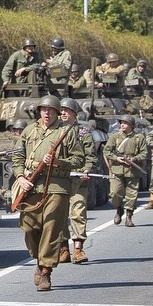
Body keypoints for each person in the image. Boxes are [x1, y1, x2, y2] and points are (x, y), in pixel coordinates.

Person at [12, 95, 84, 292]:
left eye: (51, 110)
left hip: (57, 187)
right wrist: (20, 177)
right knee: (30, 228)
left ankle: (46, 270)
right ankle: (39, 259)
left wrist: (58, 162)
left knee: (51, 229)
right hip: (31, 185)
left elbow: (79, 160)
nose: (47, 113)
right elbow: (17, 156)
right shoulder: (29, 130)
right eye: (43, 109)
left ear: (57, 113)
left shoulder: (67, 132)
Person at [59, 98, 94, 264]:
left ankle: (78, 249)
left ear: (74, 113)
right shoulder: (54, 131)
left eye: (67, 110)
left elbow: (90, 156)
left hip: (78, 180)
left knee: (78, 212)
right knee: (59, 215)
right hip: (58, 180)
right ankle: (63, 249)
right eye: (61, 110)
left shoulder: (83, 133)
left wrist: (86, 169)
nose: (63, 113)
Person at [103, 114, 147, 227]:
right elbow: (106, 151)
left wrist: (134, 159)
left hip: (132, 170)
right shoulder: (115, 137)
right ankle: (119, 209)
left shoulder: (139, 137)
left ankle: (129, 216)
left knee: (132, 195)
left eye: (125, 123)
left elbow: (144, 154)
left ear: (131, 125)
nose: (122, 125)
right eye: (121, 123)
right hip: (117, 169)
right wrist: (116, 158)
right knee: (115, 193)